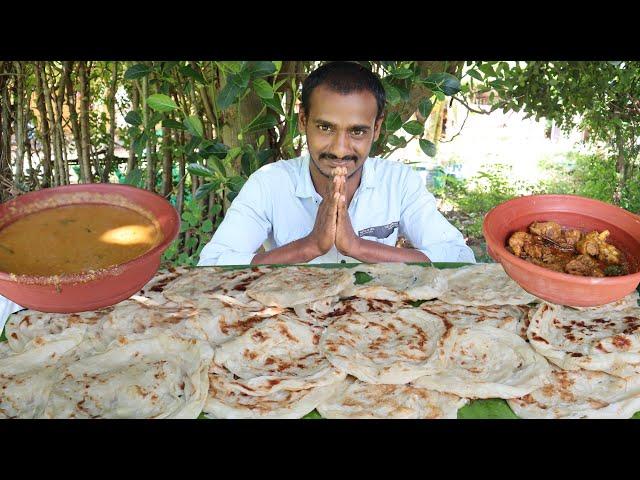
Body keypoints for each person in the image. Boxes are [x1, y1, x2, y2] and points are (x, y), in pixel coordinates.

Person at [208, 62, 475, 266]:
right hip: (289, 326)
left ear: (377, 128)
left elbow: (459, 256)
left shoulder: (399, 183)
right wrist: (308, 247)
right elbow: (211, 264)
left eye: (357, 131)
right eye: (325, 127)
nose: (339, 149)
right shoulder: (269, 183)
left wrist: (359, 248)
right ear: (303, 121)